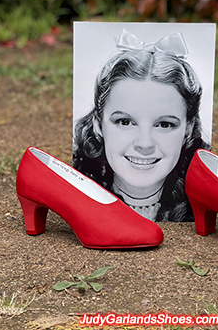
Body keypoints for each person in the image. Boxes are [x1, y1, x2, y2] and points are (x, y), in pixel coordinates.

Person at [73, 30, 210, 222]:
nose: (144, 144)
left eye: (164, 124)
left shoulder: (202, 207)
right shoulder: (76, 196)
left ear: (188, 129)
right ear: (98, 124)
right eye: (125, 122)